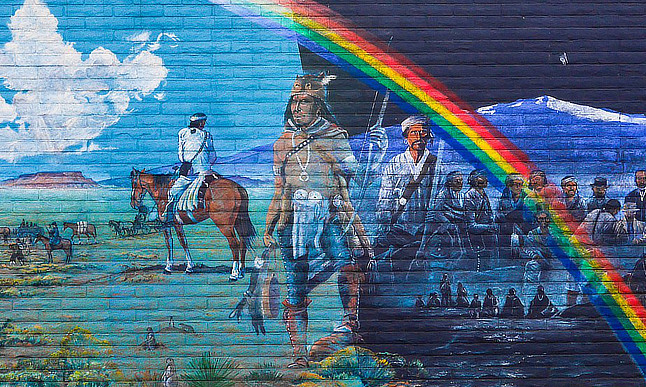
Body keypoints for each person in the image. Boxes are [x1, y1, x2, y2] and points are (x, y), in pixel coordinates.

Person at [263, 73, 386, 368]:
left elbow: (355, 174)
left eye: (304, 102)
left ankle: (350, 323)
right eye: (295, 101)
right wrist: (269, 226)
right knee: (296, 290)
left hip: (330, 215)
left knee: (350, 265)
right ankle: (300, 356)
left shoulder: (335, 135)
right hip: (292, 223)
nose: (298, 107)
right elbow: (280, 189)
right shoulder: (283, 143)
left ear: (318, 105)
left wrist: (375, 151)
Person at [375, 115, 436, 267]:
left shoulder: (435, 164)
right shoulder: (394, 164)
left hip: (424, 232)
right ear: (406, 137)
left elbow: (438, 200)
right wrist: (386, 222)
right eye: (414, 133)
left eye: (423, 133)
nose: (419, 137)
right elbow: (384, 200)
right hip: (398, 229)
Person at [162, 113, 217, 224]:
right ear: (201, 123)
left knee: (174, 190)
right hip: (205, 169)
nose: (204, 124)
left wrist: (186, 163)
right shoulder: (207, 135)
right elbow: (213, 156)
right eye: (203, 122)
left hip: (189, 169)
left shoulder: (183, 133)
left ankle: (169, 215)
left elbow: (181, 153)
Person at [418, 171, 466, 261]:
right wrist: (447, 223)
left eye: (461, 180)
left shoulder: (461, 196)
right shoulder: (443, 194)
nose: (460, 183)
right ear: (450, 183)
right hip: (443, 226)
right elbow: (437, 212)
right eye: (457, 181)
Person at [463, 170, 498, 271]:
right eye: (481, 177)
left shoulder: (483, 194)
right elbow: (471, 225)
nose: (485, 180)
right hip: (478, 237)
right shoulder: (469, 196)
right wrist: (489, 227)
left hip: (487, 234)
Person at [496, 173, 528, 260]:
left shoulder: (527, 199)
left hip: (523, 228)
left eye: (520, 184)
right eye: (515, 184)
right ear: (509, 186)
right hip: (508, 228)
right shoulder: (503, 199)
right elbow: (498, 213)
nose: (518, 187)